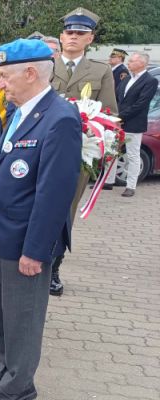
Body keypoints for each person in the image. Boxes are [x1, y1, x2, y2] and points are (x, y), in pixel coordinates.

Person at [0, 39, 82, 400]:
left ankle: (20, 385)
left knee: (24, 316)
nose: (0, 83)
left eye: (4, 76)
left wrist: (35, 250)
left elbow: (53, 196)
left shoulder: (60, 118)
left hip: (24, 240)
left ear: (30, 73)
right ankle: (5, 364)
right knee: (0, 310)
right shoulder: (20, 112)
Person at [49, 7, 118, 296]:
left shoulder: (100, 71)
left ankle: (53, 266)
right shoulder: (44, 63)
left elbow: (110, 115)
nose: (73, 37)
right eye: (69, 32)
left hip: (76, 153)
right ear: (61, 36)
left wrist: (94, 135)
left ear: (90, 39)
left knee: (65, 210)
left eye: (80, 33)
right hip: (38, 148)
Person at [109, 52, 158, 197]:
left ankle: (131, 186)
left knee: (132, 155)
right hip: (118, 121)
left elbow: (141, 104)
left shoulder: (150, 81)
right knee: (111, 152)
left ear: (142, 63)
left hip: (133, 123)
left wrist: (121, 116)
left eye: (131, 61)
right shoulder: (128, 78)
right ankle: (108, 181)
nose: (128, 63)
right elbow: (118, 97)